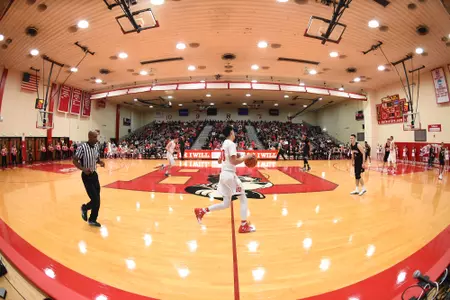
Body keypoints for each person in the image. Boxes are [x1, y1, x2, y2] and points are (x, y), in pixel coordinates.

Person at [194, 125, 256, 233]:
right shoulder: (231, 144)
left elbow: (219, 160)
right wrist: (246, 157)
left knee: (226, 204)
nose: (235, 134)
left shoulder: (224, 144)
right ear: (231, 133)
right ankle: (243, 225)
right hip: (229, 175)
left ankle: (202, 211)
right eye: (234, 132)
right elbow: (234, 162)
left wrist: (235, 156)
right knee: (243, 198)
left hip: (223, 175)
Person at [73, 131, 105, 227]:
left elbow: (96, 158)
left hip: (94, 175)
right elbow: (74, 160)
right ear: (89, 137)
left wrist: (100, 162)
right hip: (86, 176)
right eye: (95, 137)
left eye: (97, 137)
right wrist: (83, 169)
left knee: (97, 199)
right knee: (95, 200)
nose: (97, 139)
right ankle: (85, 208)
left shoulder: (96, 146)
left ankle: (92, 219)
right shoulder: (82, 147)